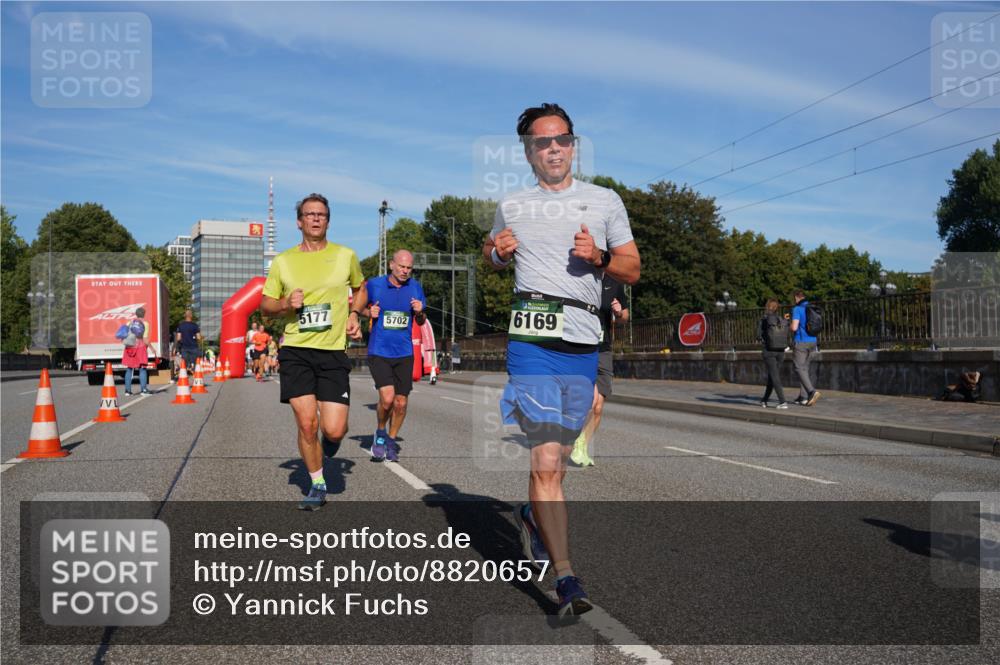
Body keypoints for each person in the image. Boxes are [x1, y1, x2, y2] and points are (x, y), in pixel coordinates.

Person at [483, 103, 640, 617]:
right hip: (530, 344)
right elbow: (492, 248)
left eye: (562, 139)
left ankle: (532, 515)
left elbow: (633, 268)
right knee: (546, 460)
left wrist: (598, 258)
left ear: (573, 145)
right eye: (541, 142)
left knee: (560, 455)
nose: (553, 148)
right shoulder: (513, 204)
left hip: (581, 341)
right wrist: (495, 254)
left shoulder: (604, 200)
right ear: (528, 151)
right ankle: (566, 576)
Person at [261, 193, 366, 511]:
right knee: (307, 423)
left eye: (321, 214)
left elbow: (361, 289)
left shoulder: (345, 255)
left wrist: (354, 313)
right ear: (299, 221)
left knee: (334, 429)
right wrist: (283, 304)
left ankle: (329, 444)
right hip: (296, 350)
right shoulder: (283, 261)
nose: (316, 218)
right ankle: (317, 484)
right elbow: (265, 307)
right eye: (309, 214)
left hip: (333, 352)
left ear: (328, 220)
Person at [363, 249, 427, 462]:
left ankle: (391, 440)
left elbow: (420, 321)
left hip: (404, 352)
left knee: (401, 403)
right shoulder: (374, 285)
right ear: (391, 265)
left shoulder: (415, 287)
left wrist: (419, 312)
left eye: (409, 268)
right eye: (401, 266)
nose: (405, 271)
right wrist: (367, 313)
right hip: (379, 350)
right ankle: (380, 432)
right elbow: (355, 307)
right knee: (388, 399)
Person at [571, 274, 628, 467]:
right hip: (582, 347)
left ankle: (581, 444)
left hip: (603, 348)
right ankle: (568, 437)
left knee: (598, 407)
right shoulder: (581, 277)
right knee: (591, 400)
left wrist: (619, 313)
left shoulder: (614, 282)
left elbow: (625, 317)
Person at [790, 290, 821, 406]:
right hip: (813, 341)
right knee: (805, 369)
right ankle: (802, 397)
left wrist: (789, 325)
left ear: (796, 298)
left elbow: (794, 327)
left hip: (801, 342)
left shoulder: (797, 309)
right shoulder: (812, 308)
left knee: (798, 368)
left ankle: (811, 392)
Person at [759, 299, 789, 409]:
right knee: (773, 376)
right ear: (777, 308)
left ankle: (783, 402)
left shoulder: (764, 319)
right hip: (781, 351)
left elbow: (759, 335)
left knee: (774, 376)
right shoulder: (781, 320)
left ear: (767, 307)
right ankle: (764, 400)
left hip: (769, 351)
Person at [122, 307, 151, 396]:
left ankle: (127, 391)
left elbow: (124, 335)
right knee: (142, 368)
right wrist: (152, 348)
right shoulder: (145, 324)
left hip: (130, 347)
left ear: (136, 314)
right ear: (144, 314)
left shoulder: (129, 323)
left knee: (129, 368)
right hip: (140, 347)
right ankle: (143, 390)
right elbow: (145, 339)